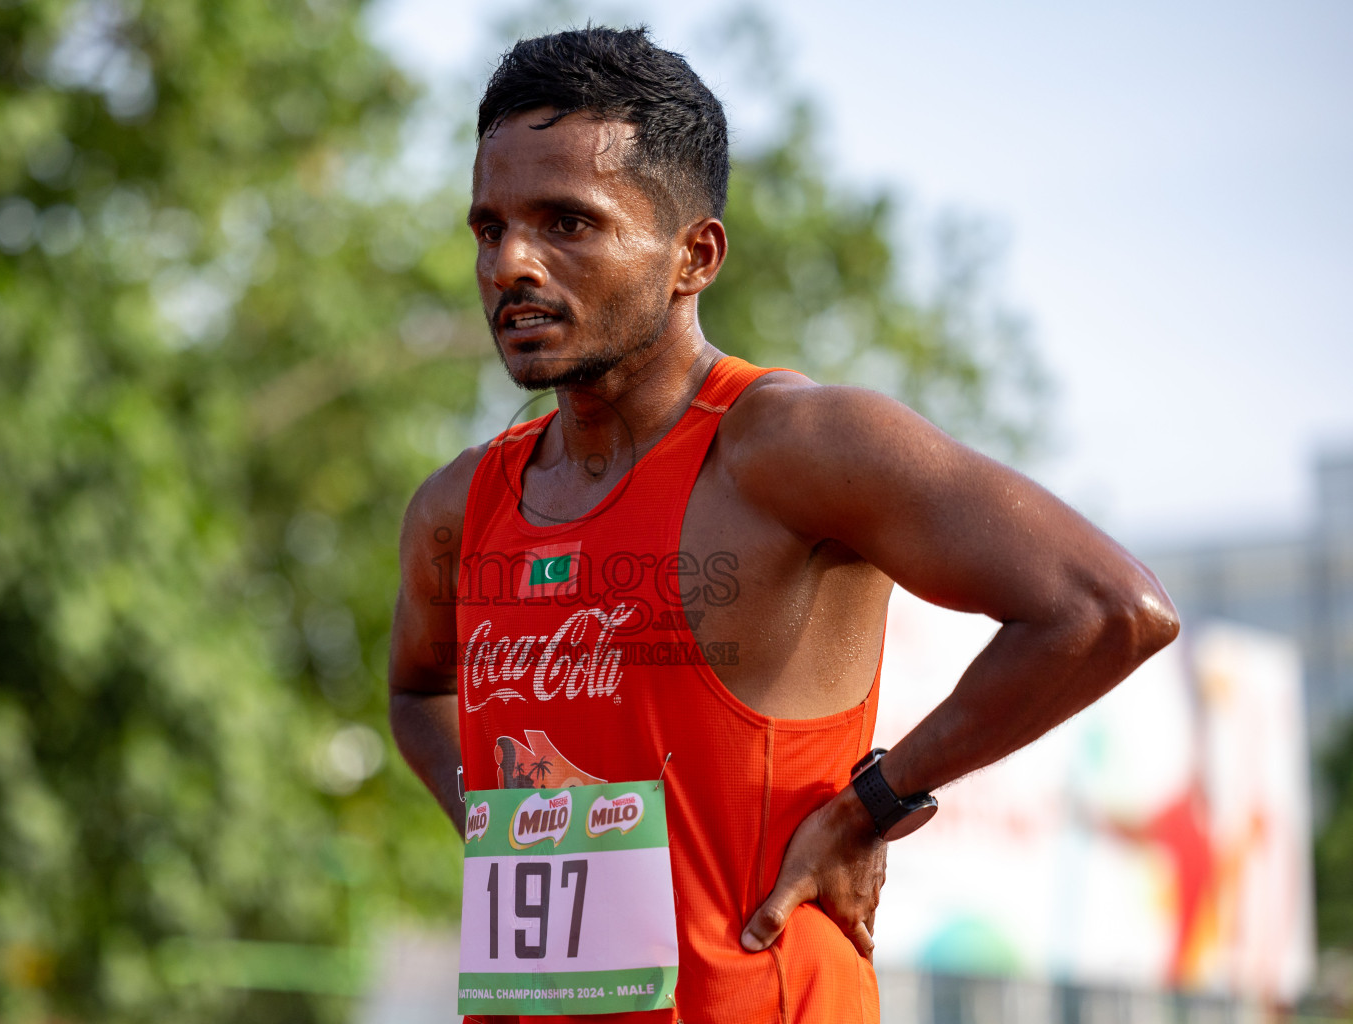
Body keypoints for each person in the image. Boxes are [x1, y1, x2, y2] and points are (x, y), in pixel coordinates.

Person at [387, 25, 1179, 1024]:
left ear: (694, 256)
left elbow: (1110, 609)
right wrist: (505, 825)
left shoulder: (792, 447)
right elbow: (419, 687)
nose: (510, 265)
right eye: (489, 228)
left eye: (568, 224)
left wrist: (876, 802)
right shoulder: (459, 509)